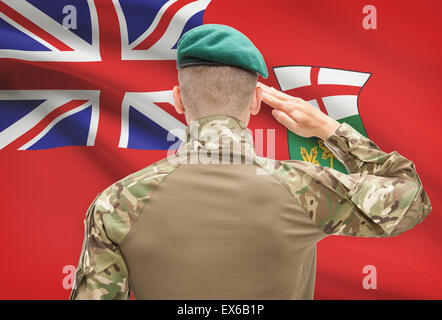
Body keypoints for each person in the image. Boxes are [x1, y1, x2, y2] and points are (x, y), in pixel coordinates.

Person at [70, 24, 432, 300]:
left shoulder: (115, 204)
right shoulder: (305, 189)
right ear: (257, 101)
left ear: (178, 100)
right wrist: (329, 129)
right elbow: (411, 197)